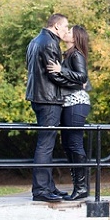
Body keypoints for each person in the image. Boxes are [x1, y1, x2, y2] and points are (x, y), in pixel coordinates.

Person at [25, 13, 73, 202]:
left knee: (46, 143)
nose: (66, 30)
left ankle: (47, 186)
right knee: (45, 144)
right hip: (48, 98)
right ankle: (41, 190)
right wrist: (75, 81)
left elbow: (31, 68)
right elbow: (55, 74)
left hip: (38, 97)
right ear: (56, 26)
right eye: (65, 27)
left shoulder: (34, 41)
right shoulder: (50, 43)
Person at [47, 25, 92, 200]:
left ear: (75, 37)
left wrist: (61, 70)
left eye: (69, 31)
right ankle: (79, 186)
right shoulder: (69, 54)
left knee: (74, 143)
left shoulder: (76, 54)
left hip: (76, 102)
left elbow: (82, 77)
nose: (65, 33)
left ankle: (81, 188)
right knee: (67, 144)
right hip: (69, 102)